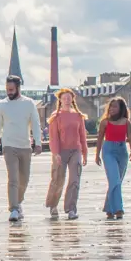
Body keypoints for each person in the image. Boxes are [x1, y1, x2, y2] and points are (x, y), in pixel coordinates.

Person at [0, 75, 42, 222]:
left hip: (25, 146)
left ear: (19, 87)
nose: (9, 92)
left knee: (24, 179)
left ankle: (18, 202)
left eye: (12, 89)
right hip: (8, 146)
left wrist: (38, 142)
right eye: (7, 89)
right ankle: (13, 209)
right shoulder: (1, 105)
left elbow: (35, 124)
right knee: (13, 178)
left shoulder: (29, 103)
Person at [44, 88, 88, 220]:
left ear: (73, 99)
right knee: (58, 179)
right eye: (64, 98)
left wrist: (85, 153)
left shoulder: (78, 116)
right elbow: (53, 137)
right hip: (60, 151)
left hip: (76, 150)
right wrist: (56, 153)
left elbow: (82, 136)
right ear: (60, 100)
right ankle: (53, 205)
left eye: (69, 98)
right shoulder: (56, 117)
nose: (67, 100)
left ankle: (71, 209)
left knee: (74, 180)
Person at [94, 97, 131, 220]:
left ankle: (109, 208)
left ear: (121, 108)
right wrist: (97, 155)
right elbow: (100, 139)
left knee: (117, 182)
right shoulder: (105, 122)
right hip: (108, 151)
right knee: (114, 180)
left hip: (122, 152)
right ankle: (118, 208)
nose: (111, 109)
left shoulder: (126, 122)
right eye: (110, 106)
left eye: (115, 106)